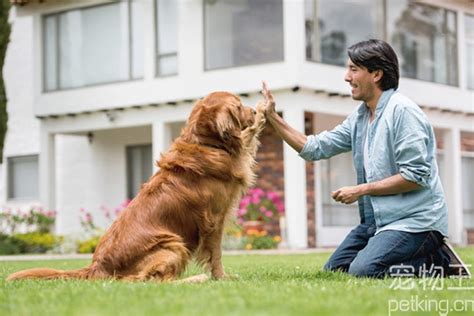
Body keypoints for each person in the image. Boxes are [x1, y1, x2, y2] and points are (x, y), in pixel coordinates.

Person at [261, 39, 453, 278]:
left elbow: (415, 177)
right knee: (335, 271)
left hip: (416, 222)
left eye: (353, 69)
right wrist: (272, 117)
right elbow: (315, 147)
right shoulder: (360, 118)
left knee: (364, 271)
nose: (346, 77)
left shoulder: (403, 113)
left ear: (376, 74)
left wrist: (361, 190)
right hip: (377, 222)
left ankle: (439, 261)